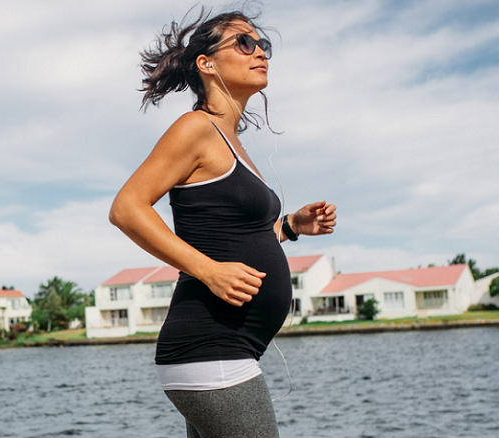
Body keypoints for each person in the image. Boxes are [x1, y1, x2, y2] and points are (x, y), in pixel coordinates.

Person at [109, 9, 338, 438]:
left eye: (263, 45)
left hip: (223, 354)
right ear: (207, 63)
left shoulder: (232, 141)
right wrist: (207, 271)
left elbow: (235, 239)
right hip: (211, 351)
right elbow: (127, 208)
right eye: (244, 43)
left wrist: (289, 226)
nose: (260, 53)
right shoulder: (196, 127)